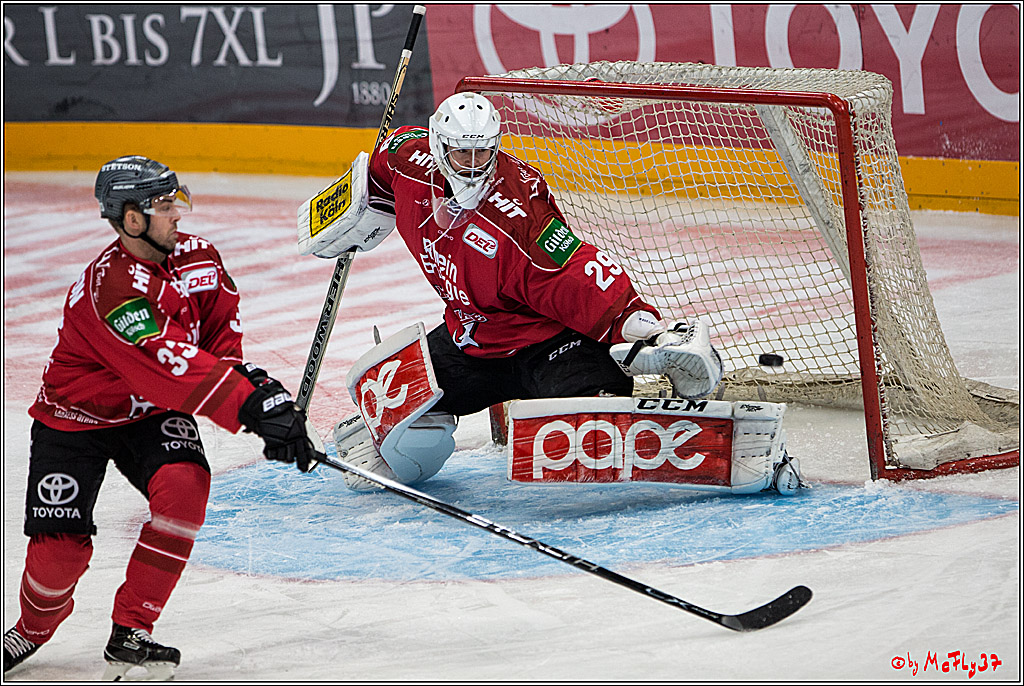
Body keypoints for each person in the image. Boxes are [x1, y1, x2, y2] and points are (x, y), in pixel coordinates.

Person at [298, 93, 809, 495]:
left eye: (484, 153)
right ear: (436, 147)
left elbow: (580, 271)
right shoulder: (407, 157)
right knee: (400, 439)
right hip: (474, 339)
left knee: (593, 438)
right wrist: (355, 205)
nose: (474, 165)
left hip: (552, 345)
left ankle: (732, 444)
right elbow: (381, 167)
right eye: (461, 152)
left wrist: (643, 328)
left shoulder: (517, 218)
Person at [3, 156, 319, 680]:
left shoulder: (201, 257)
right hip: (75, 418)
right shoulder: (112, 288)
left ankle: (132, 628)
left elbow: (220, 345)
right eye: (164, 205)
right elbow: (165, 366)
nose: (178, 213)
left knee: (185, 488)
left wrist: (266, 398)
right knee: (57, 558)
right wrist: (247, 405)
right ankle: (34, 626)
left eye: (177, 200)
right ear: (131, 220)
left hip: (149, 414)